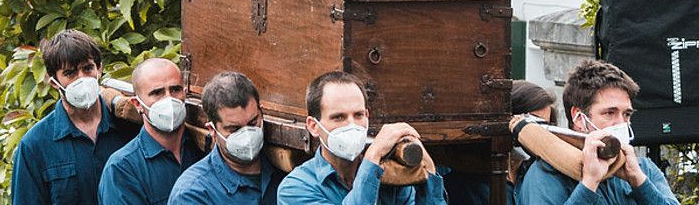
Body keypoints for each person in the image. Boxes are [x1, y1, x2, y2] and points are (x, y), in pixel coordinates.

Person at [517, 60, 679, 205]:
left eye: (627, 114)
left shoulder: (644, 168)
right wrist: (589, 184)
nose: (621, 123)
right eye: (609, 113)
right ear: (578, 118)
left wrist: (639, 181)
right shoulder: (545, 175)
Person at [278, 70, 445, 204]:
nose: (352, 125)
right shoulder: (295, 188)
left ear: (367, 115)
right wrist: (373, 156)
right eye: (339, 117)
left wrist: (429, 171)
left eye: (358, 115)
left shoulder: (391, 178)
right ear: (313, 126)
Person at [12, 30, 138, 205]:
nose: (82, 79)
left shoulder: (130, 126)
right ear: (54, 82)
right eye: (70, 73)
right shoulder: (35, 145)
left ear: (99, 69)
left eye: (88, 68)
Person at [169, 71, 283, 205]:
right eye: (234, 129)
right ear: (212, 130)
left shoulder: (283, 171)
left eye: (253, 123)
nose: (247, 135)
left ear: (261, 113)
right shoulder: (192, 194)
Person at [98, 58, 203, 204]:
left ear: (185, 93)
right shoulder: (123, 169)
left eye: (175, 89)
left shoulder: (201, 149)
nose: (169, 99)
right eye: (157, 92)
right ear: (137, 104)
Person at [443, 79, 558, 205]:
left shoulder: (539, 174)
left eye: (545, 127)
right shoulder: (464, 182)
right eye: (532, 124)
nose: (539, 134)